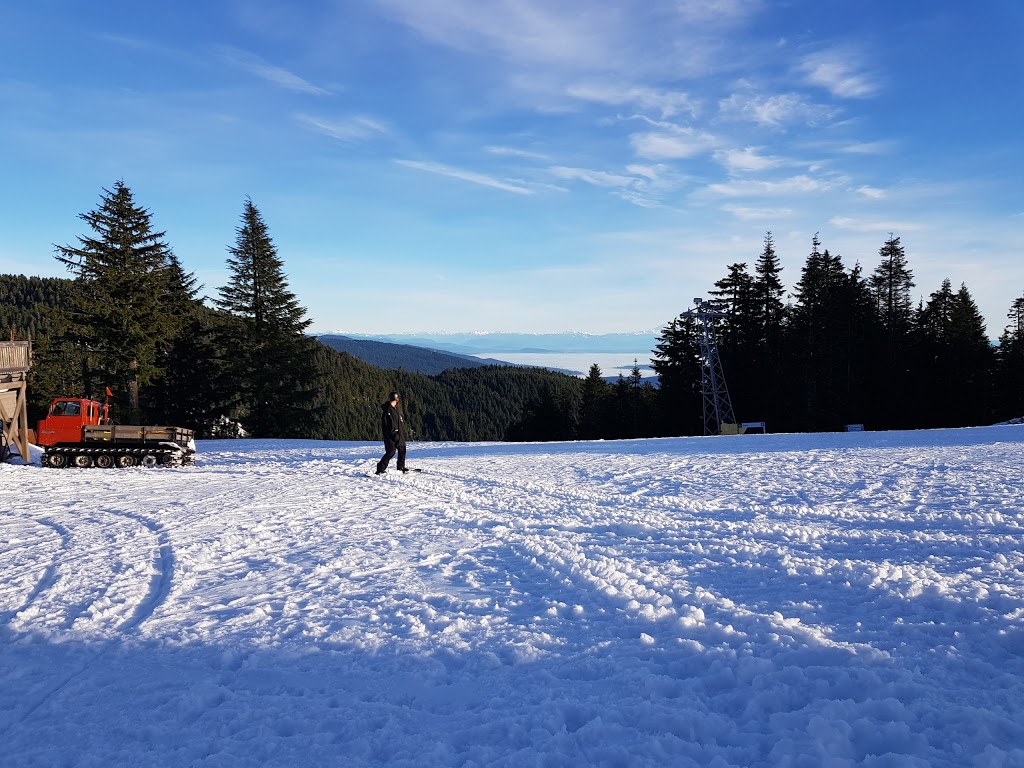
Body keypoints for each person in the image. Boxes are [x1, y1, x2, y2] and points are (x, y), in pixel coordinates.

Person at [376, 391, 408, 474]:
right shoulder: (388, 410)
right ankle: (380, 468)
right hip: (391, 435)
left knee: (402, 449)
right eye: (398, 398)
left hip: (398, 434)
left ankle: (401, 467)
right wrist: (395, 433)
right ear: (396, 398)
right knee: (390, 452)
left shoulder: (394, 409)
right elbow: (390, 423)